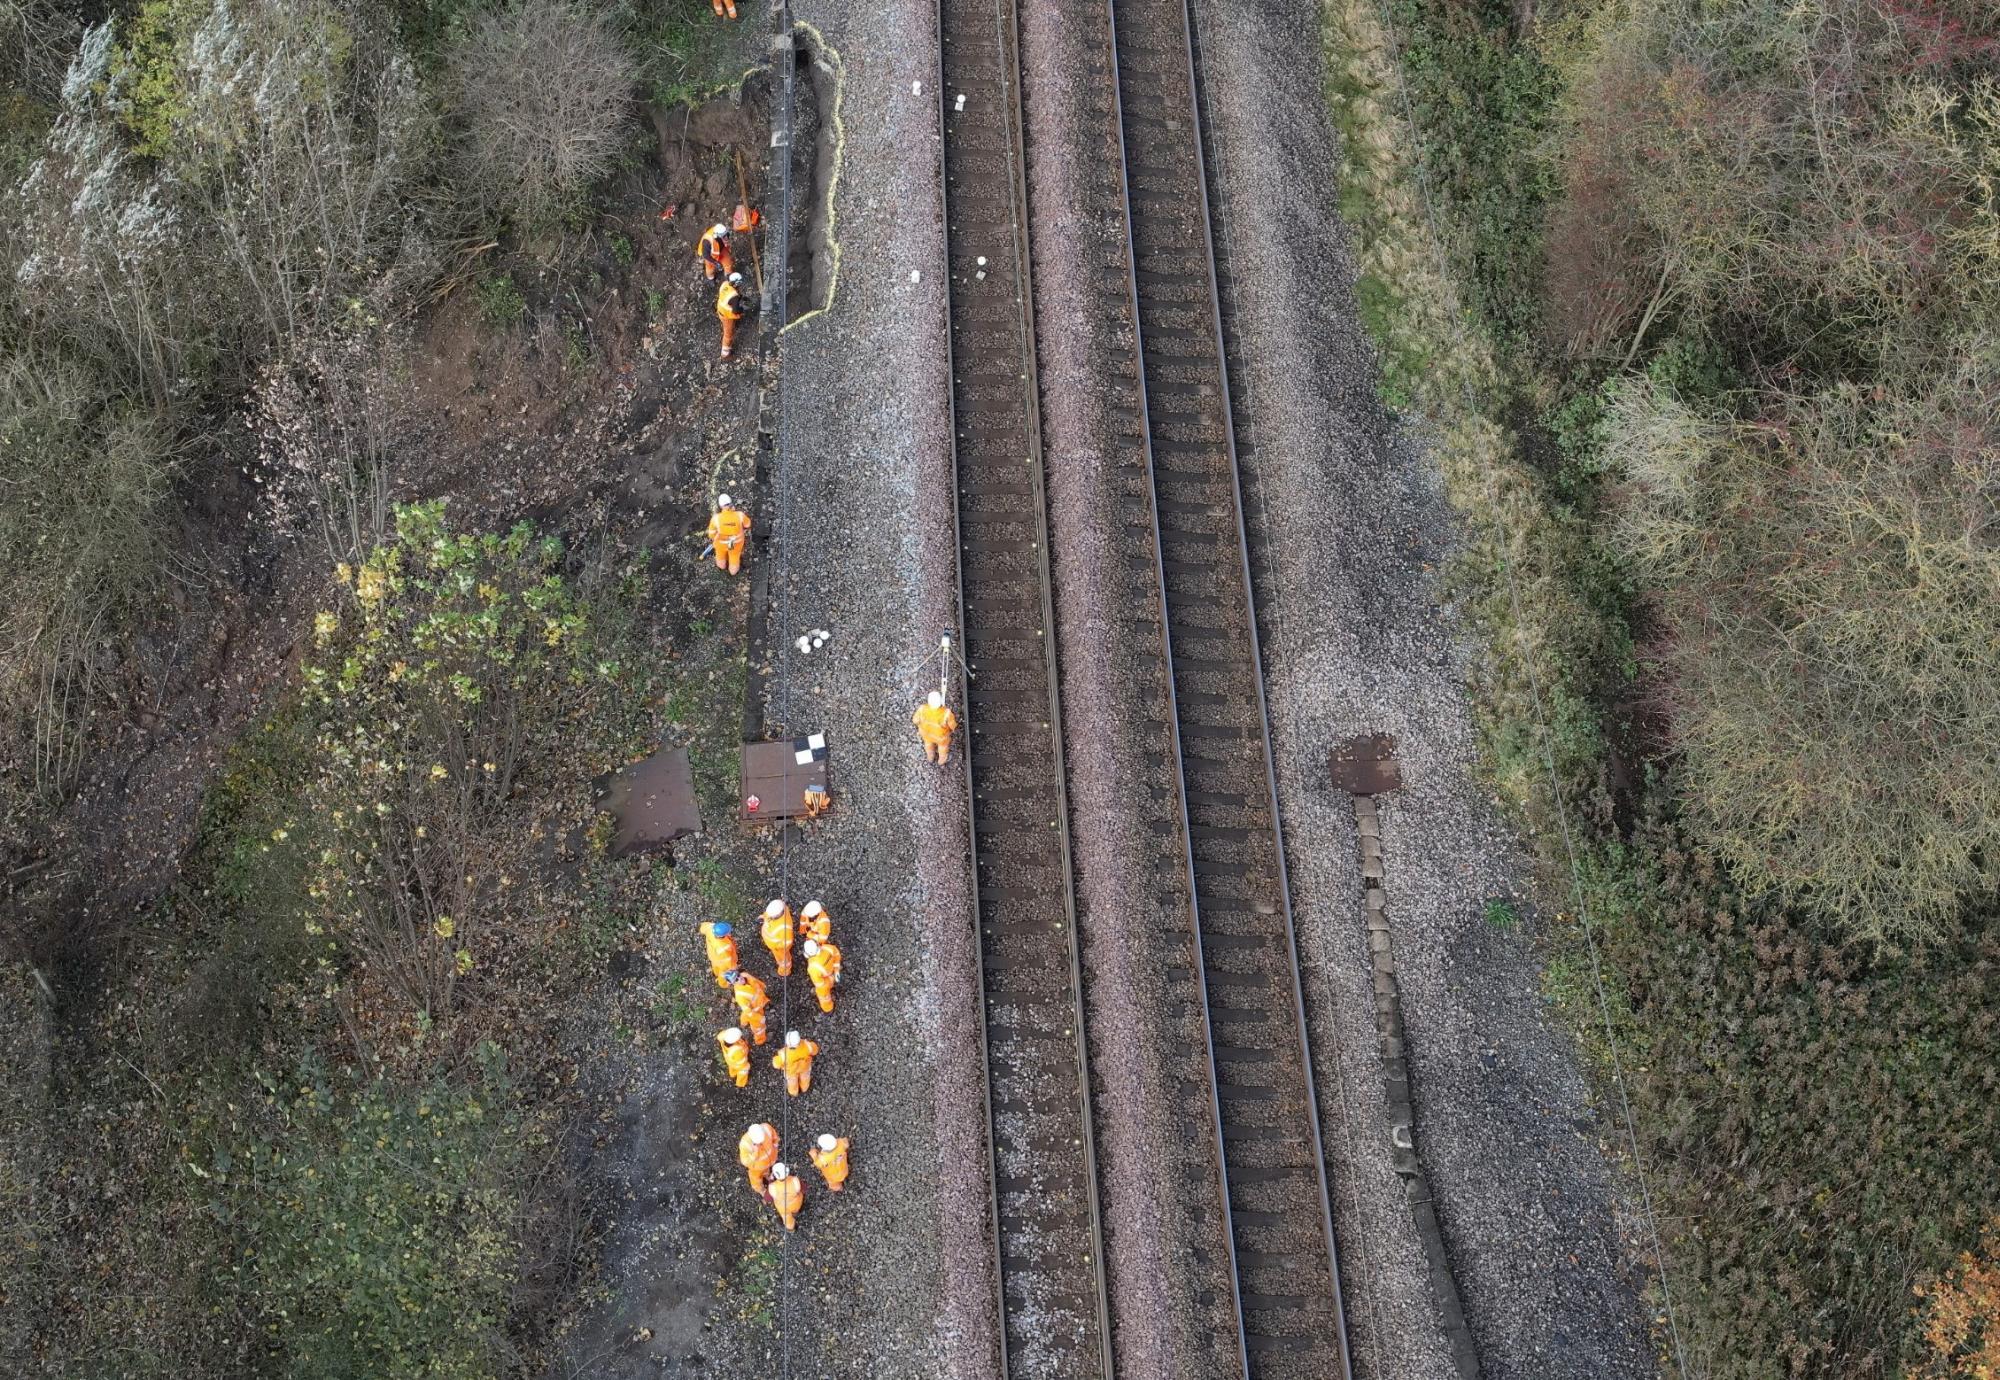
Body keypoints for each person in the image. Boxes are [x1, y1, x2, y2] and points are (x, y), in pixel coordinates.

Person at [708, 494, 750, 575]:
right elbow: (748, 524)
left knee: (720, 557)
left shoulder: (716, 518)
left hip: (721, 544)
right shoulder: (740, 515)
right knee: (734, 557)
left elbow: (711, 535)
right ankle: (733, 572)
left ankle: (722, 566)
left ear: (720, 506)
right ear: (731, 503)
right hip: (736, 544)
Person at [913, 690, 959, 765]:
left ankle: (930, 757)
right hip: (941, 737)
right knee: (942, 748)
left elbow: (915, 720)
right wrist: (954, 728)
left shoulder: (922, 709)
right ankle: (941, 760)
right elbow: (952, 725)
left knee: (928, 745)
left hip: (926, 735)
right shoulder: (946, 713)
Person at [770, 1030, 819, 1096]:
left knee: (792, 1083)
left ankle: (794, 1092)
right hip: (805, 1068)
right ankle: (804, 1088)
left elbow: (776, 1064)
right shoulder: (807, 1047)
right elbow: (815, 1050)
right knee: (805, 1078)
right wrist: (808, 1044)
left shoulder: (784, 1054)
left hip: (791, 1072)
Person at [728, 969, 770, 1044]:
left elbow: (756, 981)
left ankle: (744, 1022)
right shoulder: (740, 996)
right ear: (733, 983)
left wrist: (763, 986)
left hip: (760, 1001)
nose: (739, 978)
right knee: (758, 1028)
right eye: (736, 980)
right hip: (755, 1011)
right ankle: (760, 1040)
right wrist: (759, 1018)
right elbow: (748, 1013)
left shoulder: (745, 975)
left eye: (738, 975)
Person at [739, 1122, 778, 1198]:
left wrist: (775, 1148)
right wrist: (755, 1154)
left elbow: (775, 1138)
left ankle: (767, 1175)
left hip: (768, 1162)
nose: (760, 1143)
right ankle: (761, 1189)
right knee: (756, 1180)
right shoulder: (745, 1144)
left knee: (767, 1170)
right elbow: (745, 1161)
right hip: (756, 1168)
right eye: (758, 1142)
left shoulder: (767, 1128)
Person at [803, 938, 841, 1015]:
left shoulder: (813, 967)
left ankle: (828, 1008)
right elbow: (837, 955)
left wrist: (827, 985)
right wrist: (837, 970)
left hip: (826, 980)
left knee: (823, 994)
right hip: (833, 972)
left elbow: (819, 984)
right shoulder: (828, 948)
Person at [699, 920, 739, 989]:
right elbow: (728, 961)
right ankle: (723, 984)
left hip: (713, 956)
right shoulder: (724, 947)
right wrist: (733, 967)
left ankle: (716, 972)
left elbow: (703, 927)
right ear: (723, 935)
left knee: (715, 966)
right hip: (723, 963)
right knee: (723, 974)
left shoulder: (711, 928)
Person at [717, 272, 748, 360]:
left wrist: (740, 297)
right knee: (728, 333)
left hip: (720, 308)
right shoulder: (734, 297)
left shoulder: (725, 284)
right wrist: (743, 309)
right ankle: (725, 353)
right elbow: (736, 311)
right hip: (726, 315)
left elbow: (731, 294)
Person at [761, 898, 794, 977]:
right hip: (773, 944)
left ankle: (784, 972)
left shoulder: (785, 927)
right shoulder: (780, 909)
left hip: (779, 948)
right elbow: (768, 915)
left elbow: (787, 943)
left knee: (784, 961)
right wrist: (763, 917)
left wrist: (778, 949)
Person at [767, 1162, 803, 1231]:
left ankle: (791, 1229)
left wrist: (771, 1180)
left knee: (787, 1220)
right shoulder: (794, 1180)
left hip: (783, 1207)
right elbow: (799, 1190)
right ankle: (796, 1213)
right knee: (796, 1209)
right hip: (795, 1202)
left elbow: (771, 1197)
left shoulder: (772, 1187)